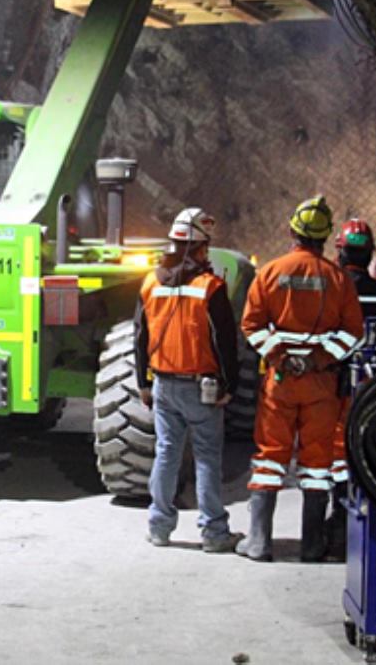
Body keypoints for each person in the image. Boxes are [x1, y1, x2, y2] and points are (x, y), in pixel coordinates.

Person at [237, 196, 364, 563]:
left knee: (270, 458)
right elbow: (353, 332)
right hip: (321, 384)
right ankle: (311, 545)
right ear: (325, 237)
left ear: (292, 231)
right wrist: (319, 359)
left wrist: (281, 357)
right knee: (316, 464)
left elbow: (252, 325)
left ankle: (259, 542)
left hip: (280, 381)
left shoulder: (270, 272)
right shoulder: (338, 278)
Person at [134, 207, 243, 552]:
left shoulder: (150, 283)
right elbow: (225, 343)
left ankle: (159, 527)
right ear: (199, 247)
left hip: (163, 384)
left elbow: (139, 336)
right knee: (207, 456)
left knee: (166, 453)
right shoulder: (211, 287)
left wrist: (143, 383)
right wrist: (230, 386)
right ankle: (213, 533)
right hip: (201, 387)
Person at [324, 219, 376, 561]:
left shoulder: (329, 291)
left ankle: (338, 529)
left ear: (340, 253)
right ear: (370, 253)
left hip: (334, 385)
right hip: (372, 388)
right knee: (369, 452)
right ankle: (372, 526)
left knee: (336, 456)